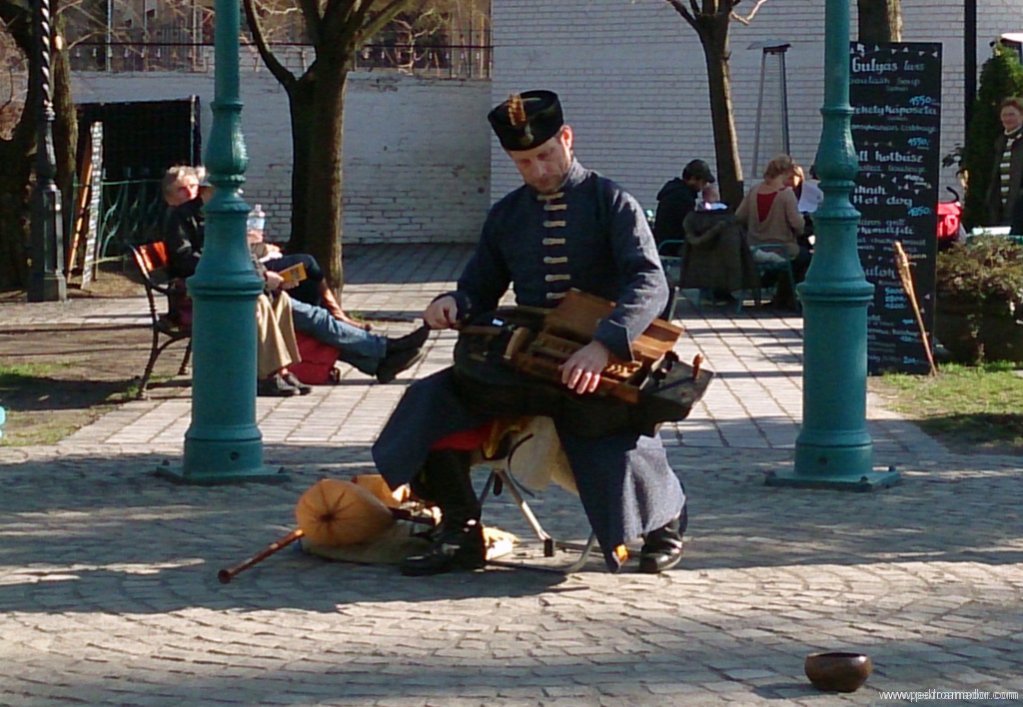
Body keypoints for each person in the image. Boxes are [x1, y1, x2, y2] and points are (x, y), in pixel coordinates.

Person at [372, 90, 687, 577]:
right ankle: (460, 529)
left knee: (610, 429)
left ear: (567, 138)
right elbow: (480, 284)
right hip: (526, 360)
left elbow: (649, 282)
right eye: (524, 162)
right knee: (430, 403)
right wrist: (455, 303)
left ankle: (664, 520)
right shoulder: (507, 215)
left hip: (600, 359)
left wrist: (603, 345)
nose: (538, 170)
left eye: (545, 155)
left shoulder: (612, 202)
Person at [160, 166, 428, 394]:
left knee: (313, 316)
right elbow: (187, 261)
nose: (233, 199)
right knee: (311, 318)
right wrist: (263, 277)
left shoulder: (222, 215)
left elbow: (239, 254)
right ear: (210, 190)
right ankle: (384, 354)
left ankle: (382, 357)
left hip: (241, 289)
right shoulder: (185, 217)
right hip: (211, 298)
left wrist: (261, 273)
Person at [735, 154, 811, 308]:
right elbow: (798, 225)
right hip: (782, 248)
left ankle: (779, 296)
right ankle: (788, 298)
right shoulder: (786, 194)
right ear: (787, 172)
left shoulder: (754, 191)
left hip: (755, 247)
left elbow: (739, 217)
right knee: (806, 258)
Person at [678, 184, 759, 304]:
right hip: (723, 266)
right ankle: (725, 293)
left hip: (700, 265)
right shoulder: (727, 219)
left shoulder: (693, 218)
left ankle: (706, 294)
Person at [653, 158, 716, 257]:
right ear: (693, 178)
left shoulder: (673, 192)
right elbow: (692, 226)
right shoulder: (684, 198)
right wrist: (709, 203)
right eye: (703, 182)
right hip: (674, 247)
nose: (703, 186)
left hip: (664, 245)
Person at [985, 97, 1023, 227]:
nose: (1007, 118)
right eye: (1004, 115)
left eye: (1012, 114)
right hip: (1002, 208)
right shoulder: (1001, 143)